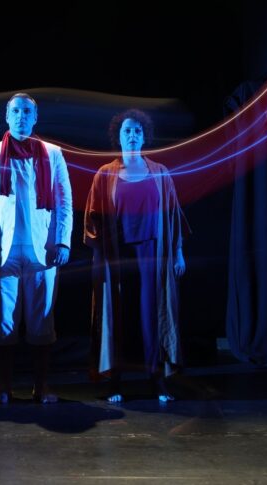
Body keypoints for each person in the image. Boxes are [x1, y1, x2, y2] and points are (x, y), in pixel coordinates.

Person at [0, 93, 73, 404]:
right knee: (3, 321)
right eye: (15, 111)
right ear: (7, 116)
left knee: (42, 320)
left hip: (43, 250)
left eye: (27, 112)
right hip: (2, 250)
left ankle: (41, 387)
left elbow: (64, 200)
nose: (21, 117)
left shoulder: (53, 153)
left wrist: (63, 240)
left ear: (35, 118)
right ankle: (4, 387)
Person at [84, 109, 188, 403]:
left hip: (152, 255)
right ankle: (115, 381)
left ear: (145, 137)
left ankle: (157, 379)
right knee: (118, 316)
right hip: (118, 257)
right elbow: (93, 219)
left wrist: (178, 253)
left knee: (150, 316)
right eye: (127, 131)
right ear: (118, 137)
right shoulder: (105, 174)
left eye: (137, 131)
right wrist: (100, 259)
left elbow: (173, 215)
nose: (132, 135)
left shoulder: (160, 172)